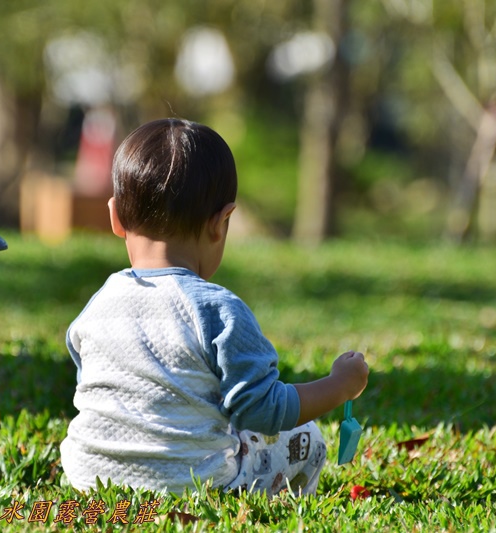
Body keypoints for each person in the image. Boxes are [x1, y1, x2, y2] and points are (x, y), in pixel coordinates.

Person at [60, 118, 369, 497]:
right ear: (221, 223)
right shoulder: (216, 310)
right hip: (193, 486)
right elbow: (266, 411)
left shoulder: (98, 305)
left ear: (115, 217)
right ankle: (287, 510)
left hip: (89, 480)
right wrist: (340, 385)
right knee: (305, 439)